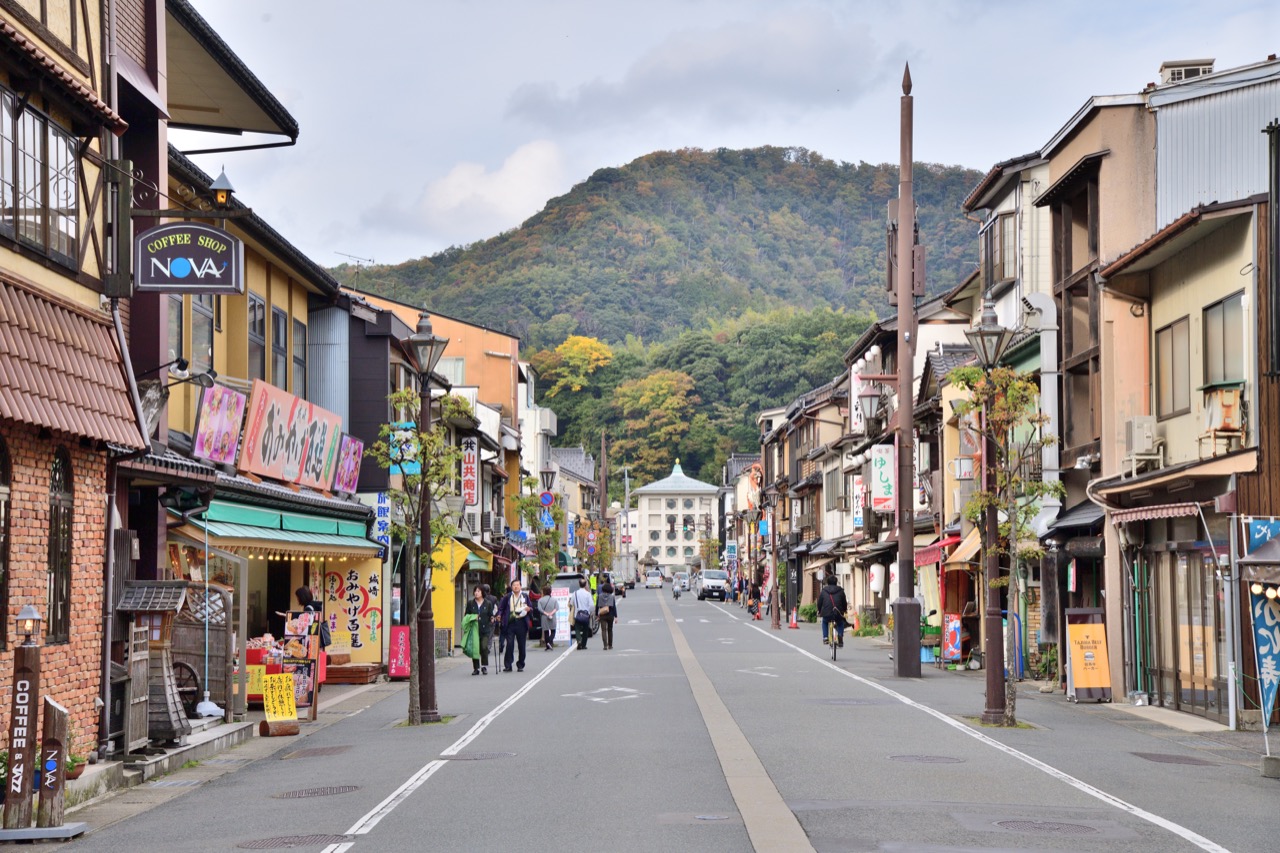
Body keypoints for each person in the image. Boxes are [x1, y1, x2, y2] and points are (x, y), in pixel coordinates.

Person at [496, 578, 532, 672]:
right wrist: (499, 615)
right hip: (510, 623)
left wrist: (529, 609)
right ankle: (508, 665)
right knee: (510, 644)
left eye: (517, 585)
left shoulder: (525, 596)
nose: (516, 586)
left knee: (521, 645)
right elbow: (501, 608)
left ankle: (520, 664)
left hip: (521, 622)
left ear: (520, 586)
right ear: (511, 587)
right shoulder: (507, 597)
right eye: (514, 585)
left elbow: (530, 607)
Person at [464, 585, 495, 674]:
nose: (476, 593)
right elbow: (466, 616)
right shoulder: (470, 603)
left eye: (478, 591)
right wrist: (473, 617)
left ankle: (484, 666)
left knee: (484, 647)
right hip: (474, 629)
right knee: (475, 648)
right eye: (475, 591)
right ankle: (476, 668)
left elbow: (490, 615)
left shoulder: (488, 603)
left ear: (482, 593)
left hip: (485, 629)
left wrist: (492, 619)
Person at [817, 574, 848, 647]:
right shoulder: (841, 591)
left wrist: (819, 610)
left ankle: (825, 637)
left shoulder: (824, 591)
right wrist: (844, 610)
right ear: (836, 582)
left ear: (828, 582)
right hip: (838, 612)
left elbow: (820, 603)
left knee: (824, 621)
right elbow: (844, 602)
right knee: (840, 622)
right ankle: (840, 635)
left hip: (826, 613)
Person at [570, 578, 595, 650]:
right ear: (585, 585)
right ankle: (583, 644)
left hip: (577, 614)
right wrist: (590, 613)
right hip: (586, 614)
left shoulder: (575, 593)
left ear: (579, 584)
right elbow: (591, 605)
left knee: (577, 629)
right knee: (585, 630)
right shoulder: (588, 594)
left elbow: (571, 603)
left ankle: (579, 640)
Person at [596, 579, 618, 650]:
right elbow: (614, 607)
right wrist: (616, 616)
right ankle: (610, 645)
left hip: (602, 615)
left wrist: (597, 614)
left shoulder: (599, 596)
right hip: (610, 614)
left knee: (603, 630)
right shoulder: (611, 597)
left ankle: (605, 645)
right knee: (610, 629)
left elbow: (597, 606)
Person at [537, 583, 558, 650]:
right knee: (553, 630)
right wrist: (551, 613)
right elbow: (556, 608)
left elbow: (539, 609)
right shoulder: (554, 600)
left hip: (544, 617)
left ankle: (547, 645)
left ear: (543, 592)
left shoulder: (540, 600)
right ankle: (550, 642)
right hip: (552, 617)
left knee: (546, 631)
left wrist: (546, 613)